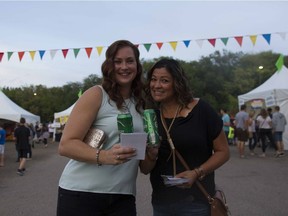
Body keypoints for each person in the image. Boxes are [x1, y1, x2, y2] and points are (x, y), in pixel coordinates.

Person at [57, 40, 146, 216]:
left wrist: (152, 153)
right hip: (81, 193)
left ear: (137, 65)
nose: (124, 66)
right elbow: (65, 145)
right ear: (109, 65)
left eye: (130, 61)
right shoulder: (96, 94)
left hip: (123, 196)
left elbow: (144, 164)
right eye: (117, 61)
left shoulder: (141, 103)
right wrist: (105, 156)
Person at [140, 58, 230, 216]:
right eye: (153, 80)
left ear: (177, 83)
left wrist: (196, 173)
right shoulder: (151, 116)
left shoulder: (201, 110)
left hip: (196, 203)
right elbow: (145, 169)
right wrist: (151, 154)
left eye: (164, 80)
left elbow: (223, 152)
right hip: (161, 204)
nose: (156, 85)